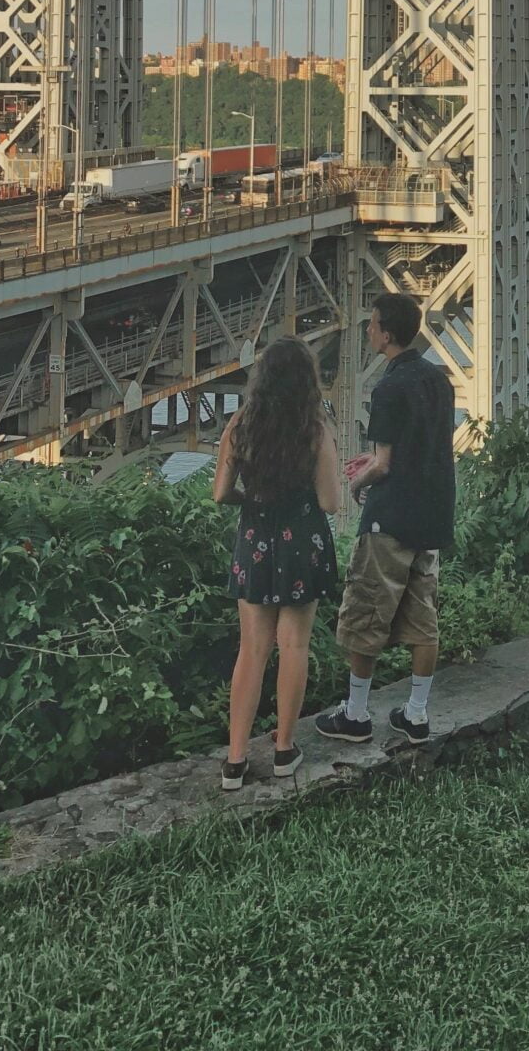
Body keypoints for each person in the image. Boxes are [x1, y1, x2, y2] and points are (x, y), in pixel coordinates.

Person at [315, 292, 455, 747]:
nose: (368, 330)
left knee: (366, 612)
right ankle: (416, 714)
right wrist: (374, 462)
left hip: (390, 519)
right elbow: (421, 447)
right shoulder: (439, 381)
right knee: (423, 618)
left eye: (372, 324)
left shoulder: (387, 388)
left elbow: (385, 463)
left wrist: (359, 482)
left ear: (387, 334)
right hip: (431, 516)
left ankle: (356, 715)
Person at [213, 336, 341, 791]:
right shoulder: (314, 429)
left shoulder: (241, 425)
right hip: (302, 543)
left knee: (252, 650)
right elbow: (330, 501)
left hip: (255, 543)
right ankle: (285, 749)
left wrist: (252, 501)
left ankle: (235, 760)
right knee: (294, 646)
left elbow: (220, 493)